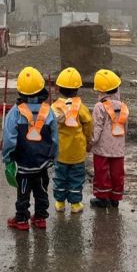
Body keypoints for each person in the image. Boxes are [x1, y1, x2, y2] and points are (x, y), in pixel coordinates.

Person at [3, 66, 59, 231]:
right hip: (42, 163)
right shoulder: (48, 112)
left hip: (23, 164)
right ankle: (40, 218)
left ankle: (21, 220)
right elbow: (55, 138)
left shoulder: (15, 112)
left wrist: (8, 158)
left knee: (23, 192)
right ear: (41, 88)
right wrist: (54, 157)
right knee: (41, 190)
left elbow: (9, 139)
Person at [51, 67, 93, 214]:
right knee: (76, 178)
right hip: (77, 153)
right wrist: (88, 140)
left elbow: (50, 127)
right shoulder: (81, 108)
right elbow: (88, 125)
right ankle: (75, 204)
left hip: (60, 152)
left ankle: (59, 202)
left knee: (60, 178)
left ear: (58, 88)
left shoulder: (54, 107)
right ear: (77, 89)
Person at [89, 69, 129, 209]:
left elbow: (96, 128)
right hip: (118, 149)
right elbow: (125, 128)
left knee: (101, 173)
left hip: (102, 149)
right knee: (117, 173)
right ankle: (115, 198)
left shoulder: (99, 107)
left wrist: (91, 142)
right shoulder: (124, 107)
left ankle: (102, 197)